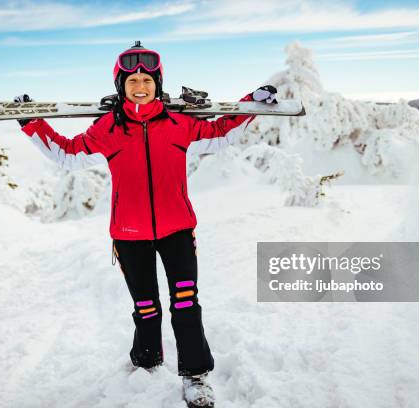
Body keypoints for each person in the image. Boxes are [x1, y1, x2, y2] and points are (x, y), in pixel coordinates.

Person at [16, 41, 277, 408]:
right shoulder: (108, 129)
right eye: (132, 79)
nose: (140, 85)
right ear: (121, 85)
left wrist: (251, 102)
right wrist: (33, 123)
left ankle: (195, 376)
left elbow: (221, 133)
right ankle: (146, 360)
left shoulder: (179, 124)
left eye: (147, 79)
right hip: (129, 235)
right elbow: (68, 154)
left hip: (177, 231)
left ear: (158, 83)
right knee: (146, 306)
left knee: (186, 303)